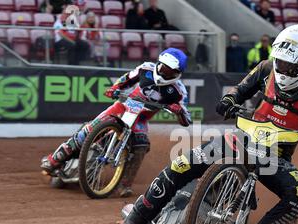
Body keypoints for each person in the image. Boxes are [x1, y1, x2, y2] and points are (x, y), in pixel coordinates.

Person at [118, 25, 298, 224]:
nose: (282, 70)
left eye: (289, 67)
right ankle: (139, 215)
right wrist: (228, 101)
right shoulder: (264, 69)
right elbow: (239, 91)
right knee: (182, 163)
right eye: (279, 63)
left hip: (274, 158)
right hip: (240, 139)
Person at [41, 48, 192, 197]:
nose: (165, 73)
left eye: (170, 71)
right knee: (88, 130)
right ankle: (54, 159)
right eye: (164, 68)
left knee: (141, 145)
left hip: (141, 118)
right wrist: (114, 88)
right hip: (122, 106)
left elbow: (187, 119)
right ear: (159, 63)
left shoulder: (179, 91)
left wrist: (179, 111)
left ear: (177, 74)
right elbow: (127, 78)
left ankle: (125, 184)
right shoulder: (146, 68)